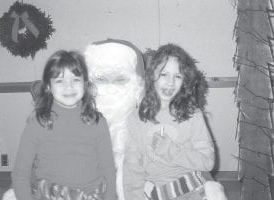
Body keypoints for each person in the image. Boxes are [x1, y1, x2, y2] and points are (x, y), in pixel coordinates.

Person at [123, 44, 227, 200]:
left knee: (214, 190)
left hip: (191, 184)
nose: (170, 82)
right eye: (164, 74)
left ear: (184, 80)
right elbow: (132, 168)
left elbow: (207, 162)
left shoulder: (193, 115)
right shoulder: (135, 118)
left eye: (177, 76)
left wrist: (172, 151)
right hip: (155, 190)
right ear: (152, 76)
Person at [12, 50, 116, 200]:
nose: (69, 87)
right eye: (59, 81)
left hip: (92, 196)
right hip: (49, 195)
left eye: (75, 80)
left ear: (85, 84)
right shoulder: (37, 124)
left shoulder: (98, 122)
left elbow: (108, 170)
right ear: (48, 86)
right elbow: (21, 174)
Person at [84, 39, 145, 200]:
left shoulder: (143, 127)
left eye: (120, 80)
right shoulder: (73, 121)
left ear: (137, 88)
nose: (110, 89)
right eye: (101, 80)